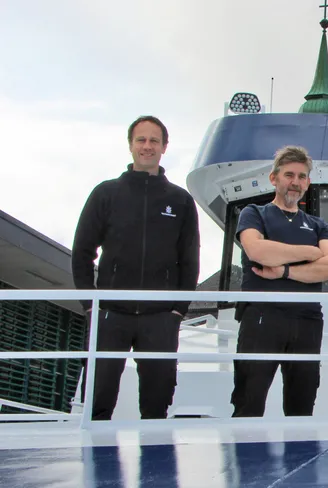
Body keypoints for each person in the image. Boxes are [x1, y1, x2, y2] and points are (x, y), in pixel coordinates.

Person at [71, 115, 201, 421]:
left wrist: (178, 310)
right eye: (141, 140)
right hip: (110, 313)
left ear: (164, 147)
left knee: (157, 404)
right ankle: (98, 468)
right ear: (131, 145)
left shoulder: (180, 200)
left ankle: (155, 469)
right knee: (98, 400)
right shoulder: (106, 193)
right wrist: (91, 306)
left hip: (160, 317)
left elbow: (189, 260)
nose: (147, 146)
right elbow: (82, 251)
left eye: (154, 141)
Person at [231, 145, 328, 417]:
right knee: (249, 400)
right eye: (289, 175)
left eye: (302, 176)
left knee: (301, 403)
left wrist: (283, 271)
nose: (295, 182)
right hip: (261, 318)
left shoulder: (317, 225)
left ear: (308, 182)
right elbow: (256, 250)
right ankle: (247, 458)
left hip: (306, 321)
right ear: (274, 178)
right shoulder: (253, 213)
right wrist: (309, 253)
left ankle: (300, 458)